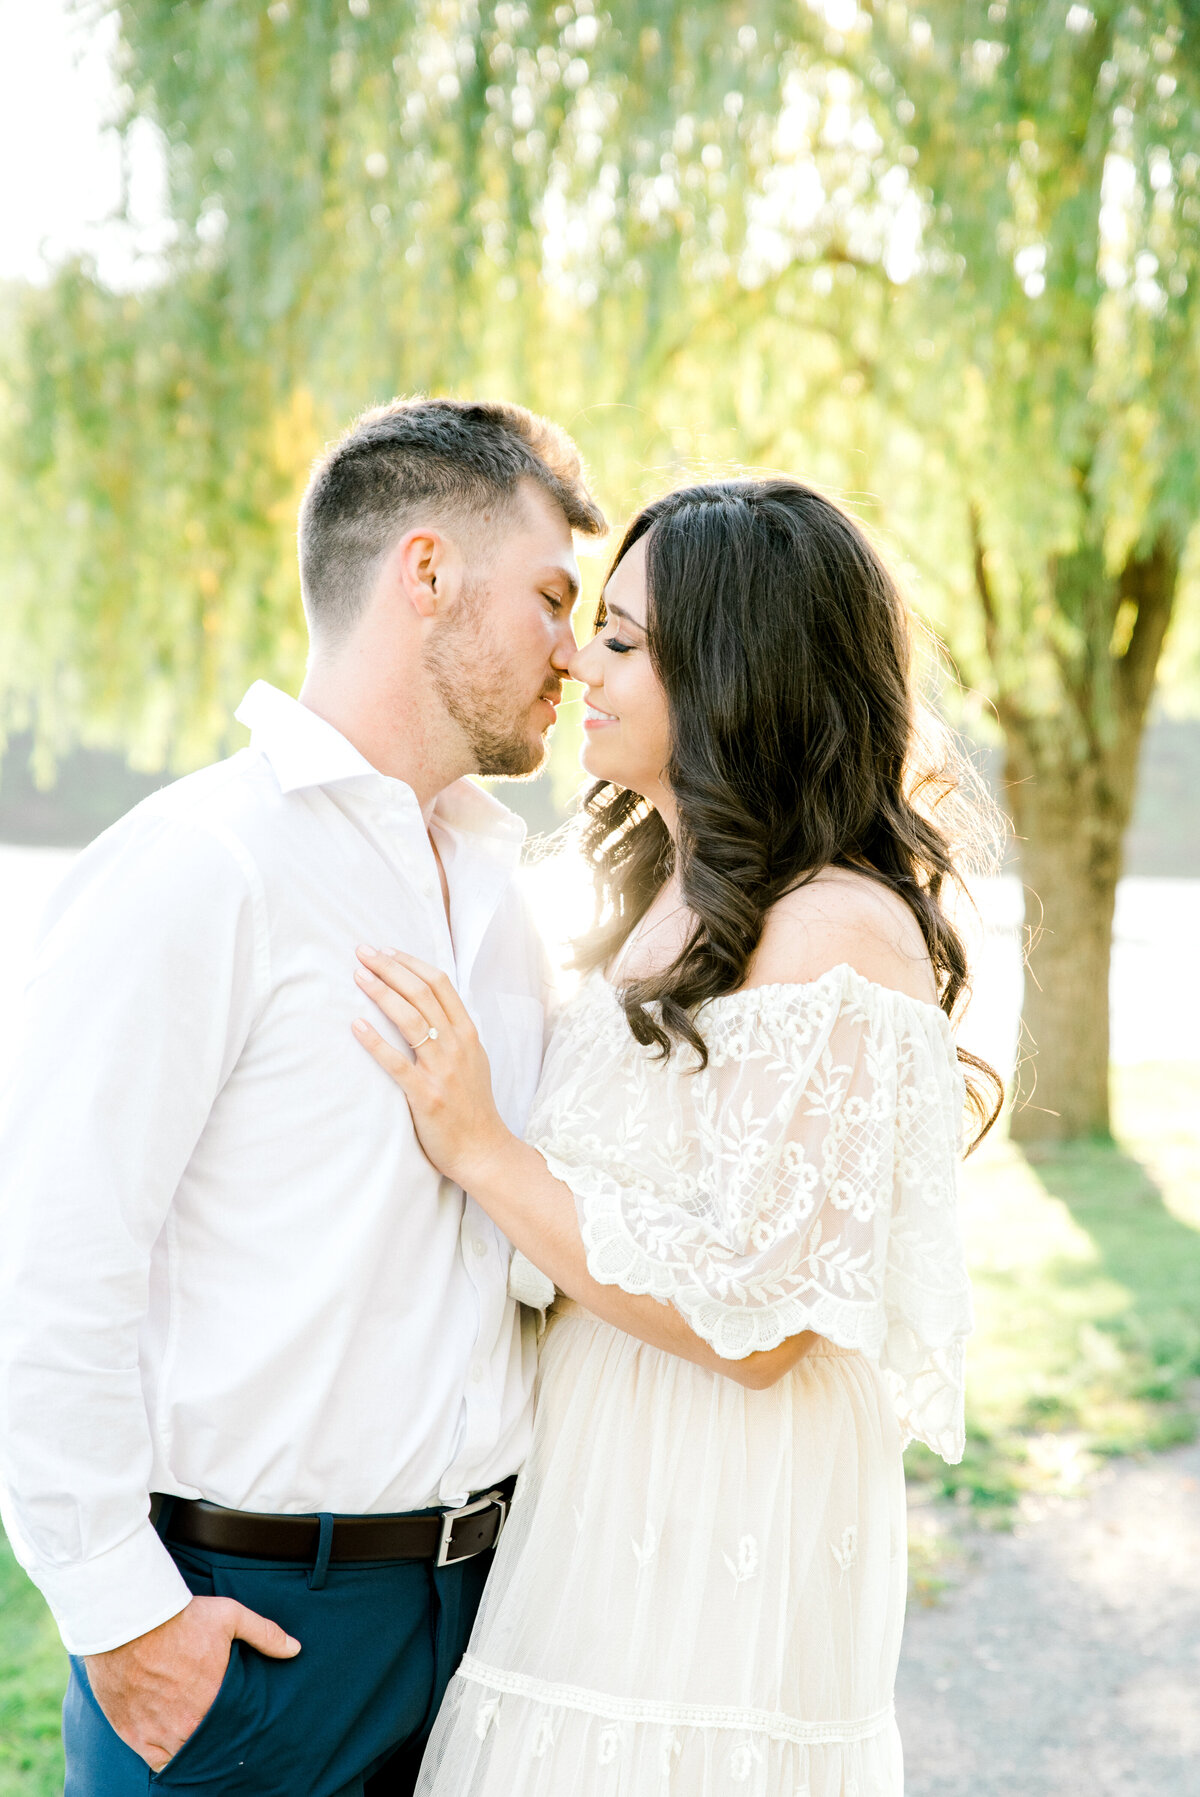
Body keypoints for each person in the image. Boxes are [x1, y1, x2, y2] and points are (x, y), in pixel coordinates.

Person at [351, 479, 1003, 1797]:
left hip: (722, 1506)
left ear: (739, 669)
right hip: (600, 1482)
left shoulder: (836, 929)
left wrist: (484, 1148)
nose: (575, 661)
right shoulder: (665, 899)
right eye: (594, 626)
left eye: (625, 641)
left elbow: (755, 1324)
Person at [0, 397, 606, 1796]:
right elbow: (49, 1254)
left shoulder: (498, 893)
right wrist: (122, 1611)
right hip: (256, 1630)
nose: (575, 652)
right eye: (554, 598)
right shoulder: (200, 864)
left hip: (481, 1622)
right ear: (428, 571)